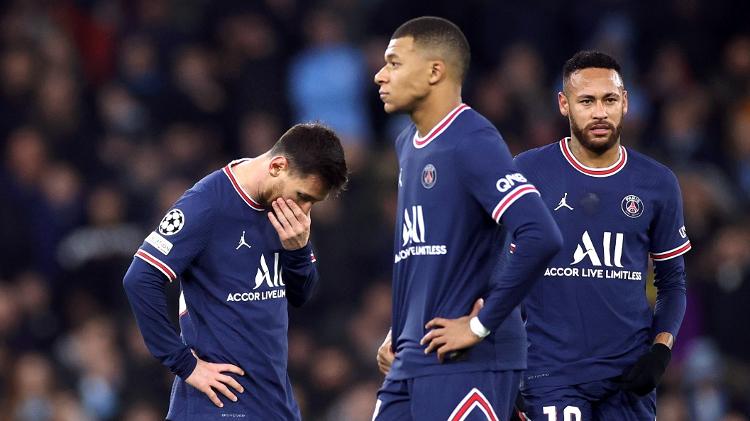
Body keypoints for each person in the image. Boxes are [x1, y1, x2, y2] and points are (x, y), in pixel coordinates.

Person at [372, 16, 562, 420]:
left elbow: (540, 233)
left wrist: (480, 326)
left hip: (467, 359)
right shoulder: (407, 144)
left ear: (434, 70)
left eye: (393, 62)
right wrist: (402, 329)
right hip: (414, 357)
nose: (379, 75)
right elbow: (428, 254)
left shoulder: (471, 138)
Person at [122, 123, 347, 420]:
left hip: (273, 401)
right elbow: (140, 278)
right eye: (303, 196)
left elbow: (301, 295)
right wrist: (184, 364)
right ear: (278, 166)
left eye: (312, 203)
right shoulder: (206, 204)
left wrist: (299, 250)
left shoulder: (287, 213)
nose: (304, 210)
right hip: (217, 404)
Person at [515, 51, 690, 420]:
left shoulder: (657, 183)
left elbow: (672, 282)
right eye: (586, 101)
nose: (599, 112)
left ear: (625, 102)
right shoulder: (528, 172)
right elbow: (500, 272)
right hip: (550, 374)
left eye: (609, 99)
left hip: (628, 378)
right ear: (564, 104)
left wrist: (660, 351)